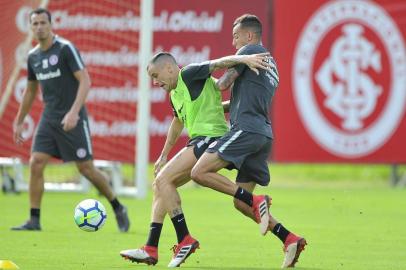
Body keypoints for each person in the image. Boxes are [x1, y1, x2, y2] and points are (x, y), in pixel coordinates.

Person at [120, 51, 271, 267]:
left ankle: (185, 239)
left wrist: (242, 59)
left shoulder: (188, 74)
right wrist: (163, 155)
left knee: (163, 181)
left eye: (155, 75)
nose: (154, 82)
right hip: (200, 140)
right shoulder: (175, 94)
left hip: (210, 138)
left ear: (170, 68)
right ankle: (151, 248)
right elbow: (177, 123)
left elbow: (216, 62)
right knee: (161, 185)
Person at [191, 14, 307, 268]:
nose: (234, 44)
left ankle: (259, 200)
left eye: (236, 37)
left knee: (199, 172)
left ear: (249, 36)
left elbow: (222, 83)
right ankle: (290, 239)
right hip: (262, 134)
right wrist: (212, 110)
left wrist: (196, 77)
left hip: (247, 130)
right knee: (241, 203)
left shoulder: (250, 51)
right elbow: (238, 101)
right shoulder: (270, 63)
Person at [11, 8, 130, 233]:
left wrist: (74, 112)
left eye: (42, 23)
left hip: (73, 116)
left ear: (51, 24)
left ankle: (117, 206)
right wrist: (19, 120)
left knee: (86, 169)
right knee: (36, 162)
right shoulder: (33, 56)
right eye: (34, 23)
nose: (39, 27)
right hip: (49, 117)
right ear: (31, 27)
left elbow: (85, 80)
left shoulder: (65, 49)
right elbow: (30, 91)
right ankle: (34, 220)